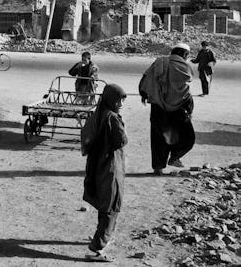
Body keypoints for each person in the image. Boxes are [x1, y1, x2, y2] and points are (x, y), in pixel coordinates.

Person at [82, 83, 128, 262]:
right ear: (111, 100)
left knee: (104, 202)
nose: (121, 104)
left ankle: (101, 236)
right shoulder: (112, 117)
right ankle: (97, 248)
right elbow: (121, 140)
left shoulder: (98, 113)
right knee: (112, 204)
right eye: (119, 100)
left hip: (97, 164)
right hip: (110, 165)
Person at [139, 43, 195, 174]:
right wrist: (189, 108)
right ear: (185, 54)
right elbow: (186, 90)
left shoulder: (159, 62)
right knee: (187, 136)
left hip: (158, 105)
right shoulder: (185, 66)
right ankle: (175, 156)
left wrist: (144, 94)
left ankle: (158, 168)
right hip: (179, 107)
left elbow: (145, 78)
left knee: (158, 138)